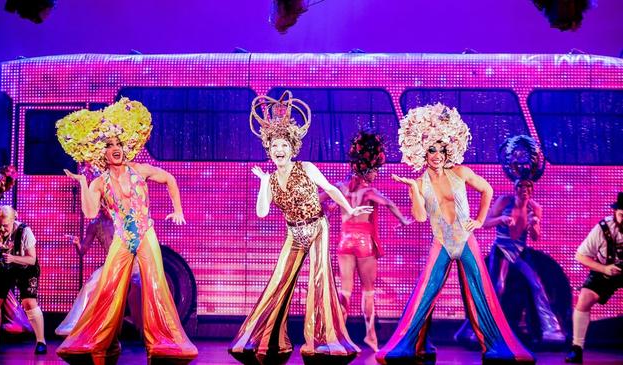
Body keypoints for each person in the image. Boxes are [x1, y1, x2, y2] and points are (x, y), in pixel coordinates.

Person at [377, 103, 535, 364]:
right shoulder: (418, 183)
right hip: (440, 241)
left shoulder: (460, 172)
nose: (437, 155)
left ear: (447, 151)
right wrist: (414, 191)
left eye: (441, 150)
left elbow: (487, 190)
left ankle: (495, 345)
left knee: (479, 292)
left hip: (465, 240)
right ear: (423, 153)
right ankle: (409, 345)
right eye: (431, 150)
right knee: (426, 292)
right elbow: (419, 217)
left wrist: (481, 219)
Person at [228, 91, 370, 364]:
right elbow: (261, 213)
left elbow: (329, 188)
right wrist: (262, 183)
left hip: (317, 228)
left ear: (292, 149)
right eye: (274, 147)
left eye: (283, 146)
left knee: (319, 281)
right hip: (293, 233)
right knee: (279, 281)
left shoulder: (306, 167)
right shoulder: (268, 179)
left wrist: (350, 209)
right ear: (268, 150)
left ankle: (323, 344)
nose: (279, 151)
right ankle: (267, 342)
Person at [55, 98, 197, 364]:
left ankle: (163, 344)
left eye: (118, 144)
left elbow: (169, 179)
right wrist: (83, 182)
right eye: (110, 146)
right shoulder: (99, 182)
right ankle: (100, 342)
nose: (116, 149)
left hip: (146, 233)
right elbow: (88, 212)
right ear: (103, 154)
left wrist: (178, 209)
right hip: (122, 238)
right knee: (108, 287)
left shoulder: (140, 170)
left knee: (156, 286)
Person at [455, 135, 565, 345]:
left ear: (531, 190)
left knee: (536, 285)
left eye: (527, 189)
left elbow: (536, 238)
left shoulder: (535, 208)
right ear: (515, 189)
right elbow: (483, 223)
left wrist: (534, 226)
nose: (523, 192)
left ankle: (552, 330)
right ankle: (475, 330)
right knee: (497, 287)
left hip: (520, 250)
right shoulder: (504, 201)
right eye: (520, 188)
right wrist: (500, 219)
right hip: (502, 249)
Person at [321, 131, 411, 352]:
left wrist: (326, 211)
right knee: (368, 290)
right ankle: (370, 336)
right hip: (364, 243)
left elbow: (320, 198)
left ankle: (338, 336)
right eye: (375, 171)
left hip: (344, 241)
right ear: (368, 169)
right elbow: (389, 203)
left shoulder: (340, 187)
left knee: (346, 290)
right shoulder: (369, 190)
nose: (377, 174)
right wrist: (403, 220)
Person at [55, 207, 142, 336]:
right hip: (113, 264)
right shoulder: (95, 224)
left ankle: (143, 327)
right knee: (90, 285)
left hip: (131, 262)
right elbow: (83, 250)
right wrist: (77, 243)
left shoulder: (123, 219)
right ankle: (76, 325)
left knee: (140, 287)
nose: (105, 208)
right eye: (102, 205)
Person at [0, 205, 47, 355]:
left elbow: (31, 259)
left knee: (29, 302)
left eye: (5, 225)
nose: (1, 229)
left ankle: (41, 341)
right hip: (3, 268)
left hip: (24, 267)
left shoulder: (24, 231)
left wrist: (13, 258)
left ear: (13, 220)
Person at [565, 192, 623, 364]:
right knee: (584, 298)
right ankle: (577, 348)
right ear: (615, 212)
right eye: (622, 215)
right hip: (605, 269)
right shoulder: (603, 228)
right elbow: (580, 256)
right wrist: (604, 268)